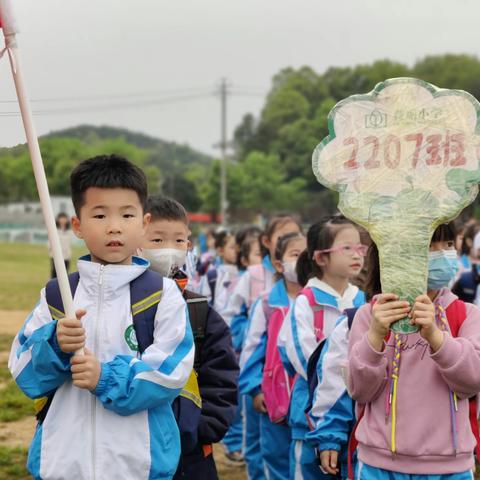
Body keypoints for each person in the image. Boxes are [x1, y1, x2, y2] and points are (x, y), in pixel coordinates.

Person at [8, 155, 194, 480]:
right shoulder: (57, 295)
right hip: (63, 465)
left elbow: (171, 372)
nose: (114, 226)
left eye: (126, 214)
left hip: (137, 467)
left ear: (144, 223)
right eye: (99, 214)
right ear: (77, 226)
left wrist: (104, 378)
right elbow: (24, 373)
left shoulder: (162, 295)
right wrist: (54, 345)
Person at [348, 222, 480, 479]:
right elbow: (359, 390)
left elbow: (472, 381)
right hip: (380, 465)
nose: (443, 254)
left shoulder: (465, 314)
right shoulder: (370, 316)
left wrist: (436, 337)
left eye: (449, 245)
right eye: (430, 246)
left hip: (450, 467)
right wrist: (375, 335)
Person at [141, 196, 238, 480]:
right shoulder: (116, 307)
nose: (169, 250)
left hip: (190, 457)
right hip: (127, 450)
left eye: (178, 241)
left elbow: (221, 376)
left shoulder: (200, 312)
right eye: (157, 241)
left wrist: (197, 429)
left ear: (189, 244)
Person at [278, 215, 366, 480]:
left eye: (360, 248)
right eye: (346, 248)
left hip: (357, 414)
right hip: (311, 416)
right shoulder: (306, 302)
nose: (357, 255)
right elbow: (303, 359)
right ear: (321, 258)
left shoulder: (363, 299)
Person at [223, 215, 302, 479]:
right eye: (294, 252)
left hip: (306, 402)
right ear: (278, 259)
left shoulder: (316, 301)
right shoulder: (268, 303)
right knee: (272, 455)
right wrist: (255, 388)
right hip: (273, 397)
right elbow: (251, 349)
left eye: (306, 253)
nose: (301, 259)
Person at [49, 212, 72, 279]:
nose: (63, 220)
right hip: (55, 256)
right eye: (61, 218)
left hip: (66, 256)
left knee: (65, 275)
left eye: (64, 218)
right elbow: (50, 243)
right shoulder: (54, 230)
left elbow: (68, 244)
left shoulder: (69, 231)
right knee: (54, 274)